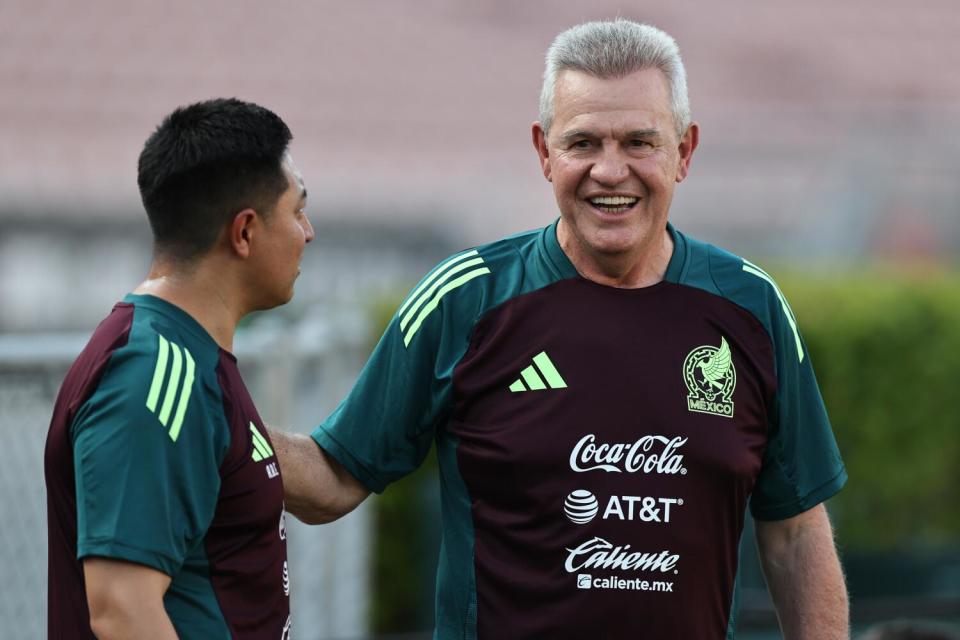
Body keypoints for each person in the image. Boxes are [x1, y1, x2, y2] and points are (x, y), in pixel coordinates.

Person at [273, 19, 848, 639]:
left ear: (684, 151)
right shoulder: (464, 300)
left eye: (638, 142)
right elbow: (332, 478)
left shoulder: (750, 308)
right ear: (544, 152)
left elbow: (795, 532)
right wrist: (218, 412)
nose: (610, 170)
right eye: (583, 143)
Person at [44, 98, 314, 639]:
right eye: (297, 210)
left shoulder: (189, 356)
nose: (308, 231)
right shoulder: (149, 372)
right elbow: (123, 610)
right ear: (244, 232)